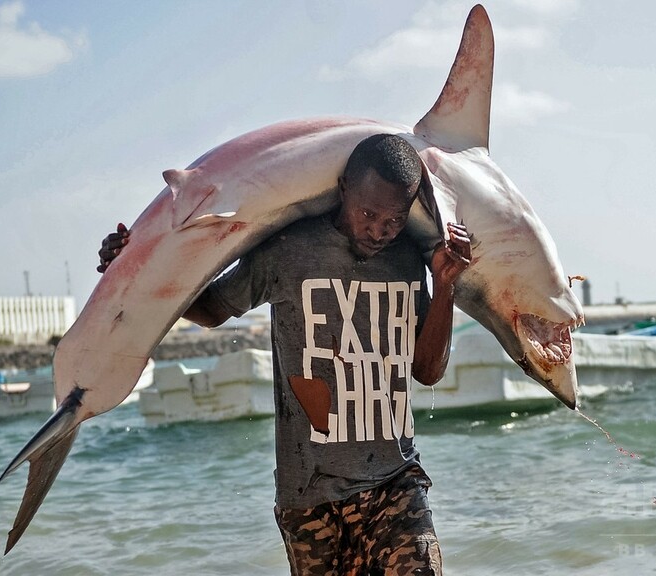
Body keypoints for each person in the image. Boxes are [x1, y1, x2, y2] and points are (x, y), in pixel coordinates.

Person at [98, 134, 471, 575]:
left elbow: (427, 372)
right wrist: (134, 264)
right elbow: (214, 309)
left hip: (395, 480)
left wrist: (445, 285)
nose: (379, 231)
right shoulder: (290, 250)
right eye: (369, 214)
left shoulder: (410, 258)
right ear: (344, 188)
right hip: (309, 497)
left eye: (394, 219)